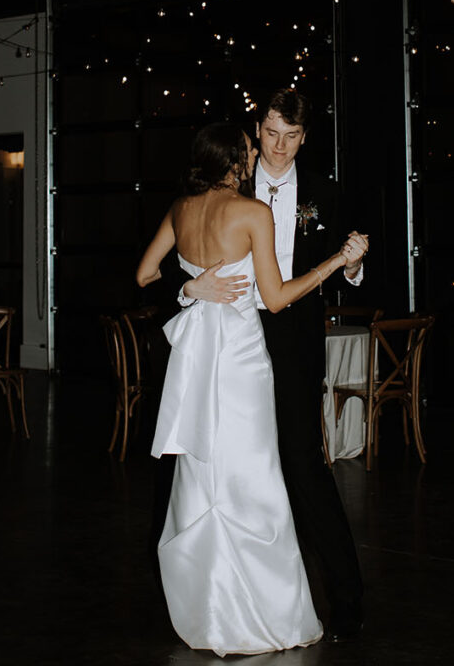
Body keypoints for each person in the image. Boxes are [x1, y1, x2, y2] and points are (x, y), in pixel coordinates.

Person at [136, 121, 359, 656]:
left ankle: (208, 601)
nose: (261, 151)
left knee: (204, 473)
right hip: (240, 359)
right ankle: (260, 606)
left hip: (197, 359)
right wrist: (335, 262)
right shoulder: (251, 212)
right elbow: (277, 299)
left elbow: (145, 273)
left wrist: (190, 285)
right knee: (256, 479)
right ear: (237, 159)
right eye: (251, 147)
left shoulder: (180, 209)